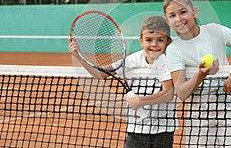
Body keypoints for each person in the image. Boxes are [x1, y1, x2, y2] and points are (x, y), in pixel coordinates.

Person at [163, 0, 231, 147]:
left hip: (228, 112)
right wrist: (200, 75)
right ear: (167, 21)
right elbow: (182, 92)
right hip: (199, 117)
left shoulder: (215, 31)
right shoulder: (173, 49)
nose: (179, 19)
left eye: (183, 12)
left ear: (194, 12)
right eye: (172, 15)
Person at [68, 16, 178, 148]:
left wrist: (141, 101)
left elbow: (168, 94)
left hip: (163, 131)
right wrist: (78, 55)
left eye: (160, 40)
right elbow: (100, 74)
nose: (154, 44)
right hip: (137, 129)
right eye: (149, 40)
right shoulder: (133, 59)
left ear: (168, 41)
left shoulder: (166, 62)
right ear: (141, 41)